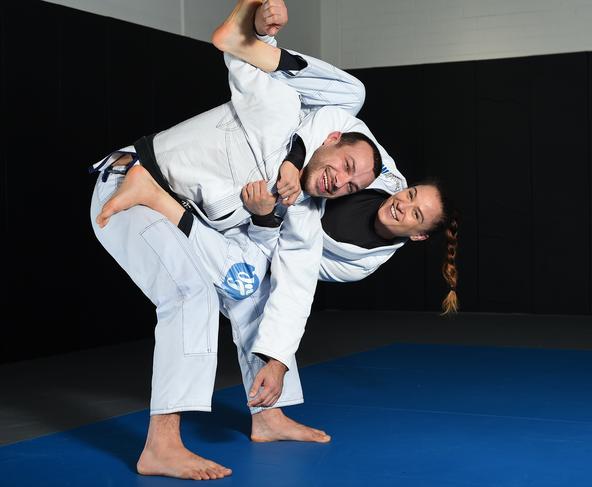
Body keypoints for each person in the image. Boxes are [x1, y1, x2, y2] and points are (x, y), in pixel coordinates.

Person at [90, 0, 391, 480]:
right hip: (130, 186)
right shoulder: (278, 112)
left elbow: (292, 288)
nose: (340, 181)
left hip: (181, 216)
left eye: (352, 187)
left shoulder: (303, 212)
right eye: (345, 167)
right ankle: (161, 445)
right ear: (330, 140)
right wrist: (260, 21)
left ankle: (268, 415)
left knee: (256, 291)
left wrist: (274, 359)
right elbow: (242, 55)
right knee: (188, 294)